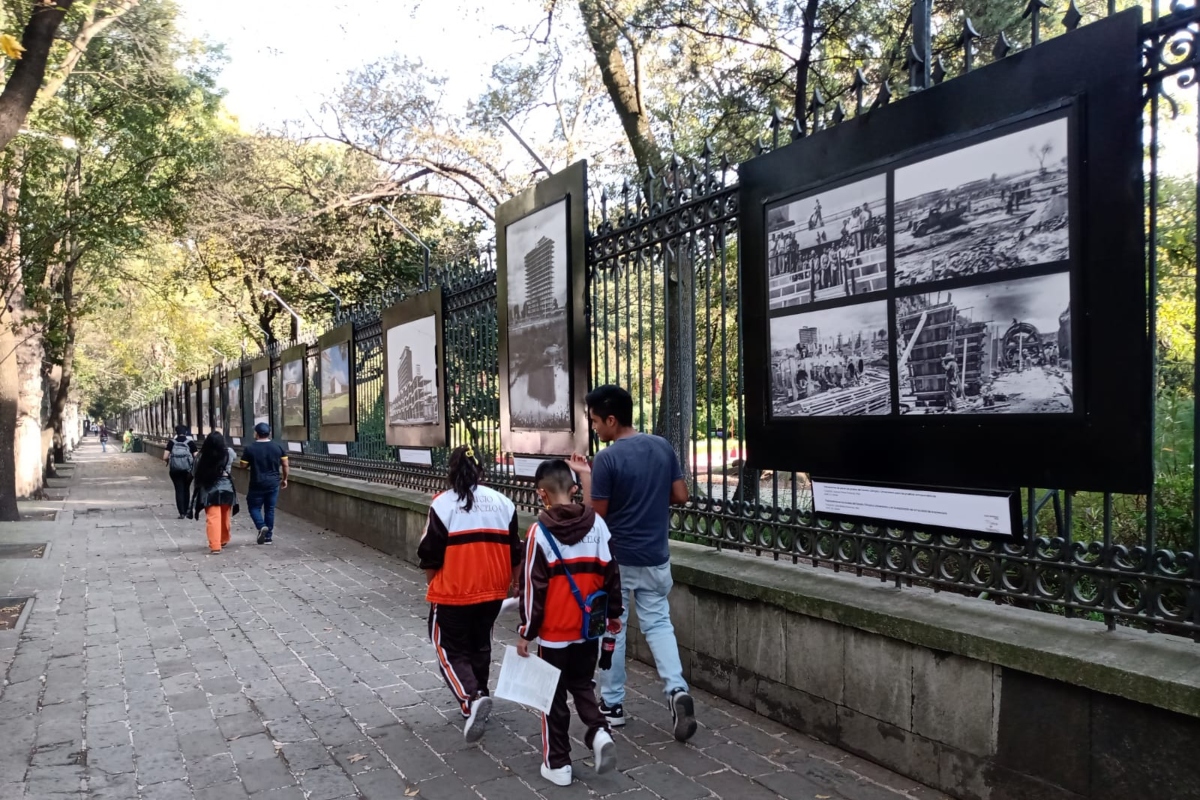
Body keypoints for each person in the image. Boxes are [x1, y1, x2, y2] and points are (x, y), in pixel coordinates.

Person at [570, 384, 696, 742]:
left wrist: (586, 479)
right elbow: (680, 495)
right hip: (656, 556)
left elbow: (598, 514)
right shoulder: (661, 446)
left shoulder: (609, 458)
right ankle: (676, 690)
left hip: (618, 561)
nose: (594, 428)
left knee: (614, 628)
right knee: (659, 624)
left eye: (595, 421)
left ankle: (612, 705)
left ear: (611, 419)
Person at [518, 459, 622, 787]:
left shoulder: (538, 533)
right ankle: (599, 733)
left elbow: (533, 588)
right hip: (588, 628)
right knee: (582, 685)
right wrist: (614, 615)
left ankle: (558, 763)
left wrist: (526, 632)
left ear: (541, 494)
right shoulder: (599, 526)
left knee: (553, 696)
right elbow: (612, 575)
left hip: (553, 634)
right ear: (575, 490)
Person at [417, 445, 521, 742]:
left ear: (450, 473)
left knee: (449, 648)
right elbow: (516, 551)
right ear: (482, 472)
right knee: (480, 643)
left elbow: (429, 554)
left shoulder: (443, 504)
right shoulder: (504, 502)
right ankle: (481, 694)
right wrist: (515, 584)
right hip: (493, 590)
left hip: (453, 591)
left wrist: (433, 584)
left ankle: (472, 698)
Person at [238, 422, 288, 544]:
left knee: (254, 507)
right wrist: (285, 479)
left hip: (257, 482)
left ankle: (261, 526)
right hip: (273, 483)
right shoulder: (278, 447)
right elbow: (285, 465)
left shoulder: (250, 448)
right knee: (270, 509)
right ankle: (268, 537)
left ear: (256, 433)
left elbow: (243, 465)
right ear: (269, 433)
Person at [192, 431, 237, 555]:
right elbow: (234, 459)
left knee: (213, 517)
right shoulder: (229, 452)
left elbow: (194, 471)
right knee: (225, 515)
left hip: (209, 488)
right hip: (226, 487)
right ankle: (223, 538)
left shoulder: (201, 455)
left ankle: (215, 545)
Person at [162, 425, 198, 519]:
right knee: (186, 489)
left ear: (176, 432)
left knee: (179, 489)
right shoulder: (190, 443)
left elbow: (165, 457)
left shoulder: (171, 442)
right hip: (188, 471)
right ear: (186, 432)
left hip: (175, 470)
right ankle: (186, 510)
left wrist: (168, 461)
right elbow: (196, 456)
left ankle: (181, 512)